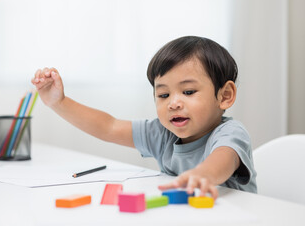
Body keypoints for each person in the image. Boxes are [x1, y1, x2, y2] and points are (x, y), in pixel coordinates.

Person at [31, 36, 257, 200]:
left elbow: (223, 161)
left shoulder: (230, 133)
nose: (173, 103)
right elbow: (108, 127)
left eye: (188, 92)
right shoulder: (162, 133)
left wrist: (202, 175)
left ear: (225, 96)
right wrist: (59, 103)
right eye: (163, 94)